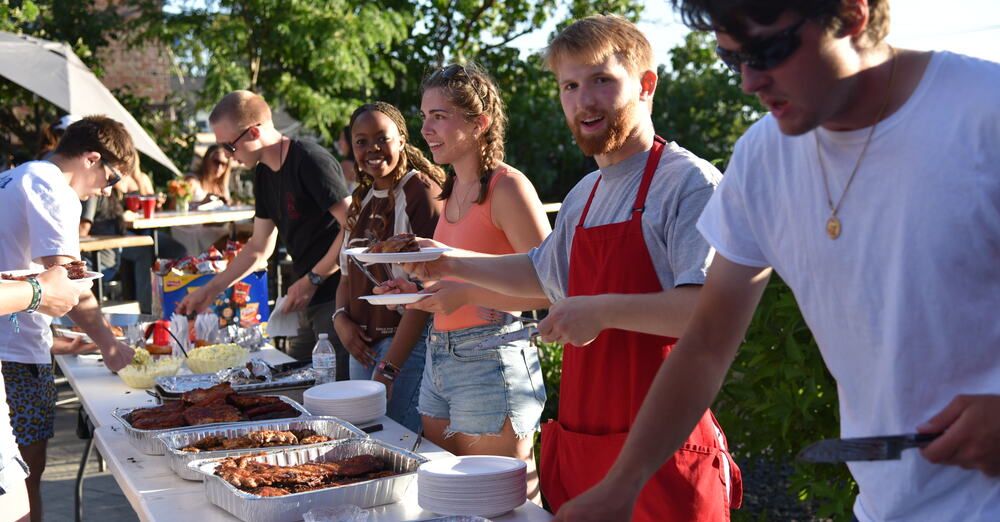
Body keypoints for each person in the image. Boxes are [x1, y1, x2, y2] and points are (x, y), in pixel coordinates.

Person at [551, 2, 1000, 521]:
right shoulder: (764, 159)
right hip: (883, 507)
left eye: (767, 51)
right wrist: (621, 486)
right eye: (731, 58)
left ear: (851, 16)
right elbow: (706, 344)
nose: (748, 81)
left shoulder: (982, 113)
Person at [400, 17, 739, 520]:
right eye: (570, 86)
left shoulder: (689, 184)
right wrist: (445, 263)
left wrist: (599, 311)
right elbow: (540, 276)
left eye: (602, 80)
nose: (584, 101)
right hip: (588, 442)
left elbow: (706, 314)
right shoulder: (586, 194)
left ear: (646, 85)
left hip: (663, 456)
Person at [0, 115, 136, 522]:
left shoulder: (18, 175)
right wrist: (112, 346)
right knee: (23, 484)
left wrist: (63, 338)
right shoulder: (52, 186)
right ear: (92, 159)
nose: (105, 190)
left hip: (15, 344)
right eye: (111, 180)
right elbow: (68, 280)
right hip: (15, 357)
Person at [176, 91, 352, 373]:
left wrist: (314, 278)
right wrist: (209, 291)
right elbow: (259, 247)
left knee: (331, 390)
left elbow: (354, 225)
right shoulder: (263, 173)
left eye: (229, 146)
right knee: (298, 383)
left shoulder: (309, 159)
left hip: (337, 295)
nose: (228, 157)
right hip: (306, 298)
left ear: (254, 131)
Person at [333, 101, 444, 432]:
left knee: (395, 445)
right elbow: (344, 276)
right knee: (369, 442)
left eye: (382, 138)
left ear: (402, 138)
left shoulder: (418, 191)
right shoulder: (363, 196)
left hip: (403, 348)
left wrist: (390, 367)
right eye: (361, 141)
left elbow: (428, 289)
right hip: (362, 347)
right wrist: (341, 322)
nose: (372, 149)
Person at [0, 266, 89, 522]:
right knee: (25, 479)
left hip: (26, 357)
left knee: (25, 480)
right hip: (20, 365)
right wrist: (39, 292)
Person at [172, 144, 234, 255]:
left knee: (239, 234)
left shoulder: (221, 186)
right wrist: (201, 203)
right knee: (230, 238)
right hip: (190, 231)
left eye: (224, 164)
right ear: (206, 160)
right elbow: (175, 206)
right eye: (216, 162)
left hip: (213, 229)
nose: (220, 167)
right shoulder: (192, 181)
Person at [335, 125, 358, 191]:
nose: (339, 142)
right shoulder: (364, 165)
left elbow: (339, 193)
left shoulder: (346, 165)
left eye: (342, 138)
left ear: (350, 140)